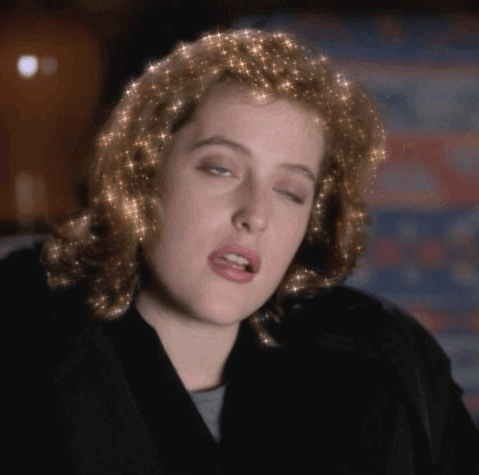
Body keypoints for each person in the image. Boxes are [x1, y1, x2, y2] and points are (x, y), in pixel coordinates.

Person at [2, 28, 478, 474]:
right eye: (220, 169)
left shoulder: (393, 367)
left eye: (290, 191)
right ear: (145, 174)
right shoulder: (22, 358)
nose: (255, 214)